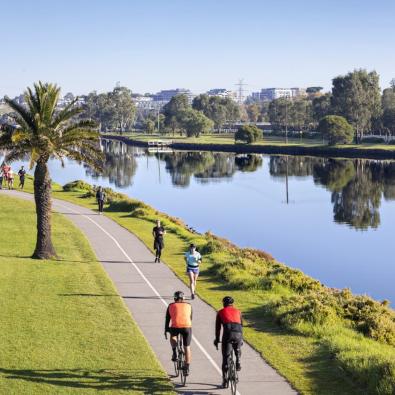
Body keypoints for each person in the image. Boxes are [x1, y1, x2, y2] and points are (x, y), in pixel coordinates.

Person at [214, 296, 243, 388]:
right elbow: (241, 325)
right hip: (238, 333)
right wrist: (241, 339)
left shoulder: (220, 312)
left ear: (223, 304)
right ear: (232, 304)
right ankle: (238, 360)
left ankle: (225, 380)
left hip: (227, 335)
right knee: (237, 348)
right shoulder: (238, 312)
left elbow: (218, 328)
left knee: (225, 358)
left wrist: (217, 339)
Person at [164, 291, 192, 376]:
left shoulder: (170, 305)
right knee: (187, 347)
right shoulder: (189, 305)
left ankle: (174, 352)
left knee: (173, 336)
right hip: (187, 327)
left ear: (174, 298)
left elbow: (167, 319)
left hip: (175, 327)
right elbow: (190, 318)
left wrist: (166, 330)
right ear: (183, 299)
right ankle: (187, 367)